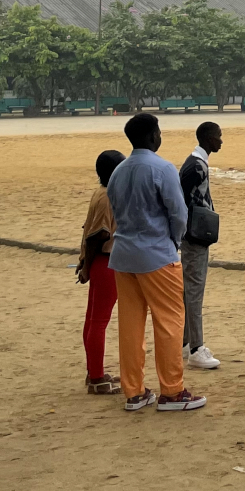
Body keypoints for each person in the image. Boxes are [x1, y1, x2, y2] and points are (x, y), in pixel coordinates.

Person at [107, 113, 206, 412]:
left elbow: (114, 209)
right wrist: (174, 241)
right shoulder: (161, 168)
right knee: (169, 323)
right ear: (152, 136)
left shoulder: (118, 171)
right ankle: (172, 391)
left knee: (131, 325)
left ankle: (134, 391)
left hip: (124, 255)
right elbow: (178, 213)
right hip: (156, 254)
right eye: (159, 132)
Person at [77, 149, 127, 396]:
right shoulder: (108, 196)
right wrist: (86, 266)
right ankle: (96, 377)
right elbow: (100, 234)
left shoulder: (100, 192)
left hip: (98, 261)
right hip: (106, 262)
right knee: (99, 322)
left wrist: (85, 261)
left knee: (92, 320)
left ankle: (93, 370)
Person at [177, 121, 222, 371]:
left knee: (189, 291)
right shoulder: (195, 167)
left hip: (194, 234)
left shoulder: (196, 163)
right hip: (194, 237)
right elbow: (181, 200)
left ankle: (186, 342)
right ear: (207, 138)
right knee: (194, 291)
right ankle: (196, 347)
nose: (221, 141)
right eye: (218, 136)